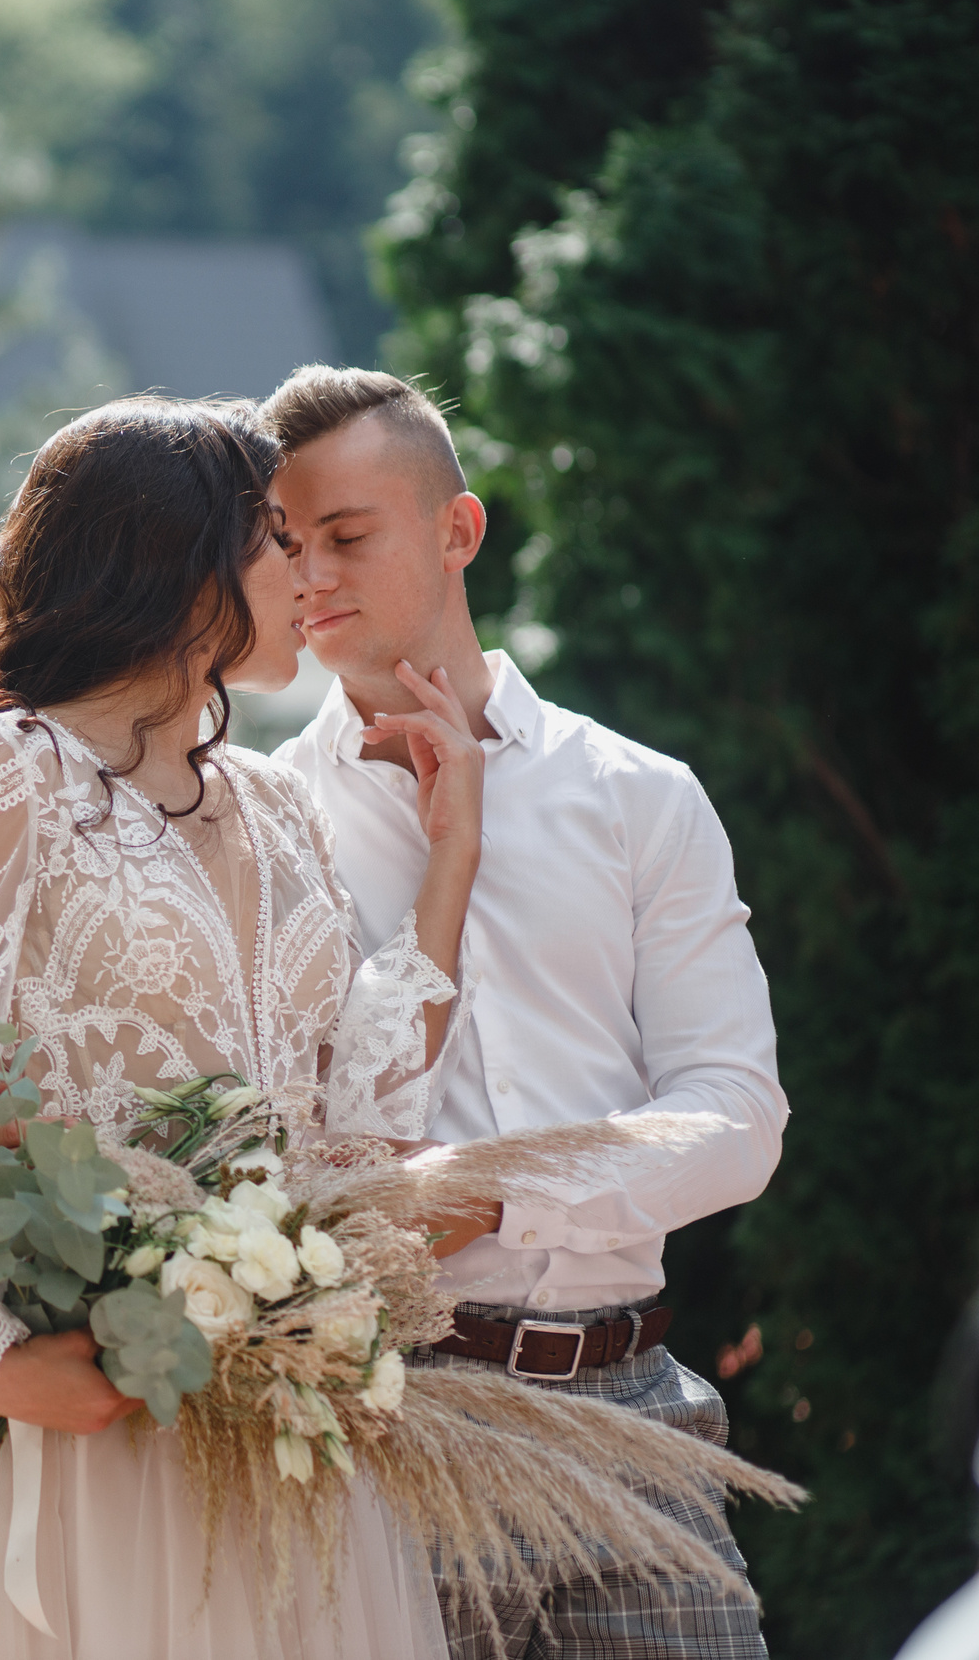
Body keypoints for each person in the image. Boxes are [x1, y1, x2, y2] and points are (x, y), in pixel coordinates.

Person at [0, 395, 483, 1656]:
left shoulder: (279, 806)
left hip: (272, 1425)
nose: (304, 575)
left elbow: (356, 1122)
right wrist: (2, 1367)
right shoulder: (8, 771)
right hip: (85, 1428)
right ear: (176, 564)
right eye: (275, 539)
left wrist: (452, 859)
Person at [262, 365, 788, 1658]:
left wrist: (503, 1193)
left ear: (458, 530)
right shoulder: (261, 824)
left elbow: (738, 1113)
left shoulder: (641, 795)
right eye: (286, 545)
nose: (312, 576)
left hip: (634, 1421)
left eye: (345, 535)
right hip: (390, 1428)